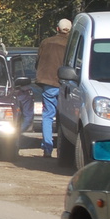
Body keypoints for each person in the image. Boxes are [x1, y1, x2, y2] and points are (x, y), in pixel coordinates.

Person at [37, 17, 72, 158]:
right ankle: (64, 150)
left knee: (47, 116)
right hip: (69, 85)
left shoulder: (46, 42)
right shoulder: (72, 44)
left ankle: (47, 147)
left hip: (49, 84)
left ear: (57, 29)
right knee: (66, 117)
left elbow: (37, 62)